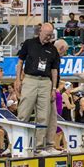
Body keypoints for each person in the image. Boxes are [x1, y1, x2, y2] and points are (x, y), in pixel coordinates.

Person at [15, 23, 60, 152]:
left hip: (46, 82)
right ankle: (16, 145)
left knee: (43, 116)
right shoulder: (29, 43)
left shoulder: (53, 49)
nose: (48, 37)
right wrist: (18, 79)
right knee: (23, 113)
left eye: (51, 35)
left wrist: (53, 88)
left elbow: (54, 70)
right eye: (47, 35)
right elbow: (20, 62)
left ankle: (39, 147)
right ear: (41, 31)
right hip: (29, 79)